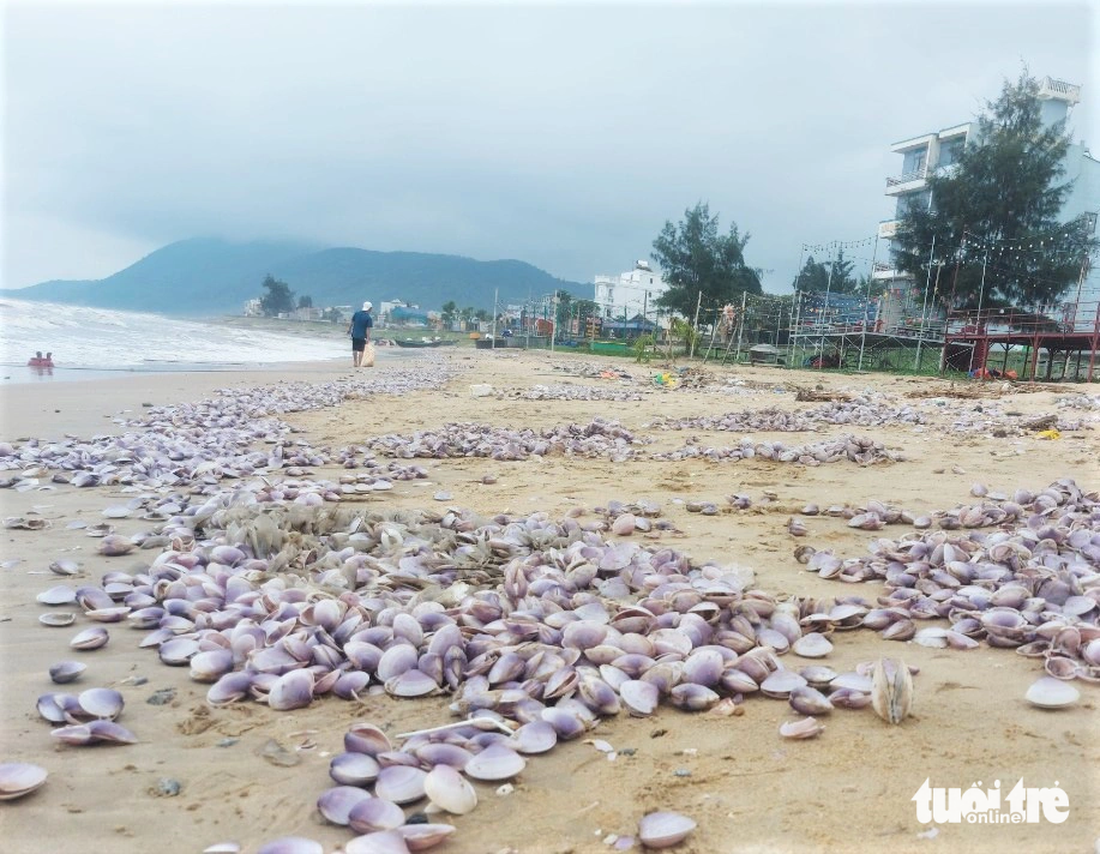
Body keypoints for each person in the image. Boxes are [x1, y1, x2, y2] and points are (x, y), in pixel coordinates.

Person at [346, 301, 374, 368]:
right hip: (362, 336)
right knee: (361, 350)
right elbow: (368, 329)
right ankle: (359, 363)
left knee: (354, 349)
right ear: (369, 309)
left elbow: (351, 323)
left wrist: (349, 330)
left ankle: (355, 362)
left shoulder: (356, 314)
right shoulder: (368, 318)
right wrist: (368, 338)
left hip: (355, 334)